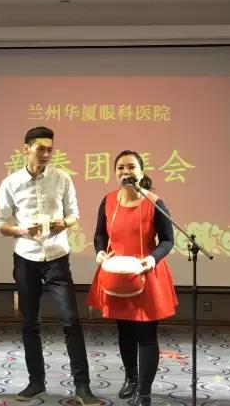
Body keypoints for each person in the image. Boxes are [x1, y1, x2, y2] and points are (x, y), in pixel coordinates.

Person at [0, 126, 99, 406]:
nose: (46, 154)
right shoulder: (11, 182)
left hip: (57, 258)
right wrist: (21, 230)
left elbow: (74, 214)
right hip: (25, 258)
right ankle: (36, 381)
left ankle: (82, 385)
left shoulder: (62, 178)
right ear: (25, 149)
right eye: (40, 148)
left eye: (50, 149)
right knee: (30, 323)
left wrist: (64, 223)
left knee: (71, 321)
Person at [87, 150, 177, 406]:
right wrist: (100, 251)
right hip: (116, 275)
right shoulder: (108, 200)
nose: (125, 171)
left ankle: (144, 393)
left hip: (146, 273)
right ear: (115, 173)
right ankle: (131, 378)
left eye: (131, 167)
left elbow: (168, 240)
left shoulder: (154, 202)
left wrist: (153, 258)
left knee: (146, 335)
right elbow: (99, 235)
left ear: (141, 172)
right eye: (120, 168)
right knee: (124, 331)